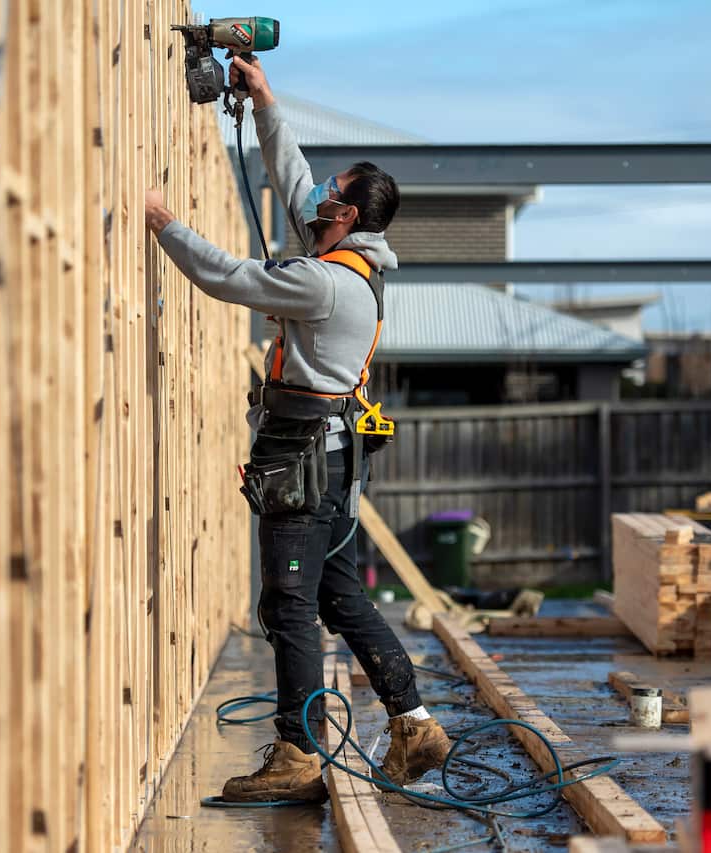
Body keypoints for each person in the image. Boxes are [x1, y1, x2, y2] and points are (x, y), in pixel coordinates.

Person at [143, 56, 451, 803]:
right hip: (329, 458)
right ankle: (413, 722)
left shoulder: (322, 281)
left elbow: (232, 277)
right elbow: (294, 177)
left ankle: (297, 753)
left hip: (304, 458)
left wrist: (163, 224)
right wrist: (268, 103)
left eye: (331, 194)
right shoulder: (354, 266)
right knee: (339, 597)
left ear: (345, 217)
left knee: (287, 603)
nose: (316, 194)